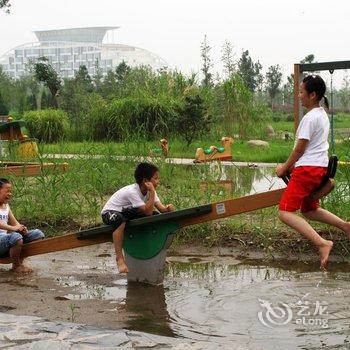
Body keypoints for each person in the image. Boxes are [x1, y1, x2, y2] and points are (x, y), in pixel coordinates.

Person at [276, 75, 350, 268]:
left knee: (285, 212)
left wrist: (284, 168)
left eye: (301, 92)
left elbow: (300, 149)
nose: (299, 96)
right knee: (308, 209)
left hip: (307, 170)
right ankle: (345, 226)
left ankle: (322, 243)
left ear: (313, 95)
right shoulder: (322, 114)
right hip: (319, 168)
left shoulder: (309, 118)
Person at [101, 162, 174, 273]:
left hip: (126, 213)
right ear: (146, 181)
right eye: (155, 179)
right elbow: (148, 212)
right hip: (110, 213)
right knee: (120, 221)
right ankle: (120, 259)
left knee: (156, 217)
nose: (158, 182)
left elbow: (161, 210)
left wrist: (167, 209)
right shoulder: (133, 191)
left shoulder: (150, 191)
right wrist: (152, 193)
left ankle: (158, 253)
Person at [0, 178, 45, 273]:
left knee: (38, 234)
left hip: (5, 239)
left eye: (10, 191)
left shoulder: (6, 206)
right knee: (16, 237)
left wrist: (21, 228)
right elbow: (9, 226)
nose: (10, 194)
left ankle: (19, 261)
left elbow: (15, 223)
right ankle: (16, 266)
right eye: (7, 191)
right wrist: (14, 228)